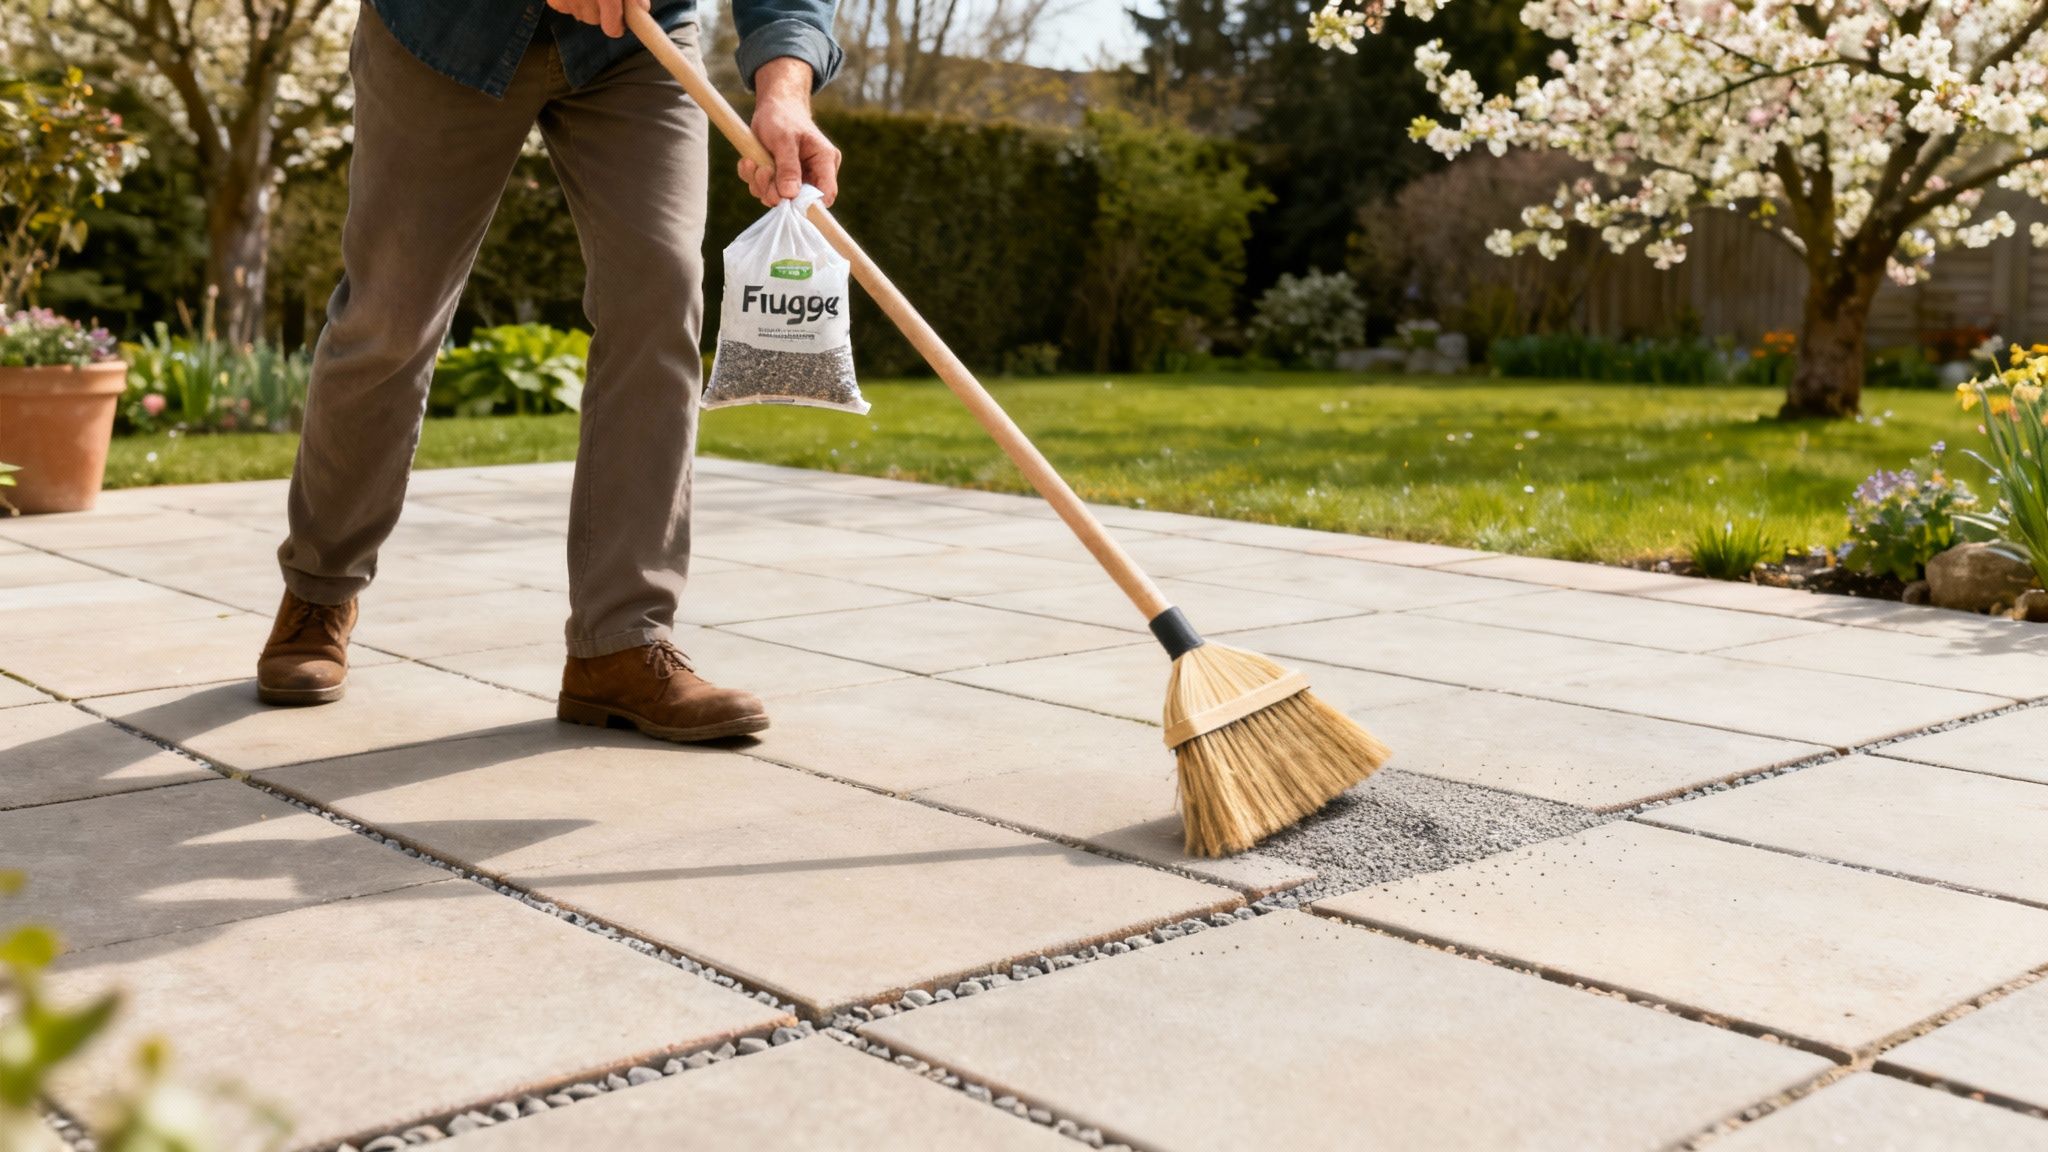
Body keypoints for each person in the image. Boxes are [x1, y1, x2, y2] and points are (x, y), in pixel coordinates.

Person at [256, 0, 841, 742]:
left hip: (638, 42)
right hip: (447, 33)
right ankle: (320, 587)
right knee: (391, 317)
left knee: (659, 295)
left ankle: (622, 642)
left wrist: (783, 88)